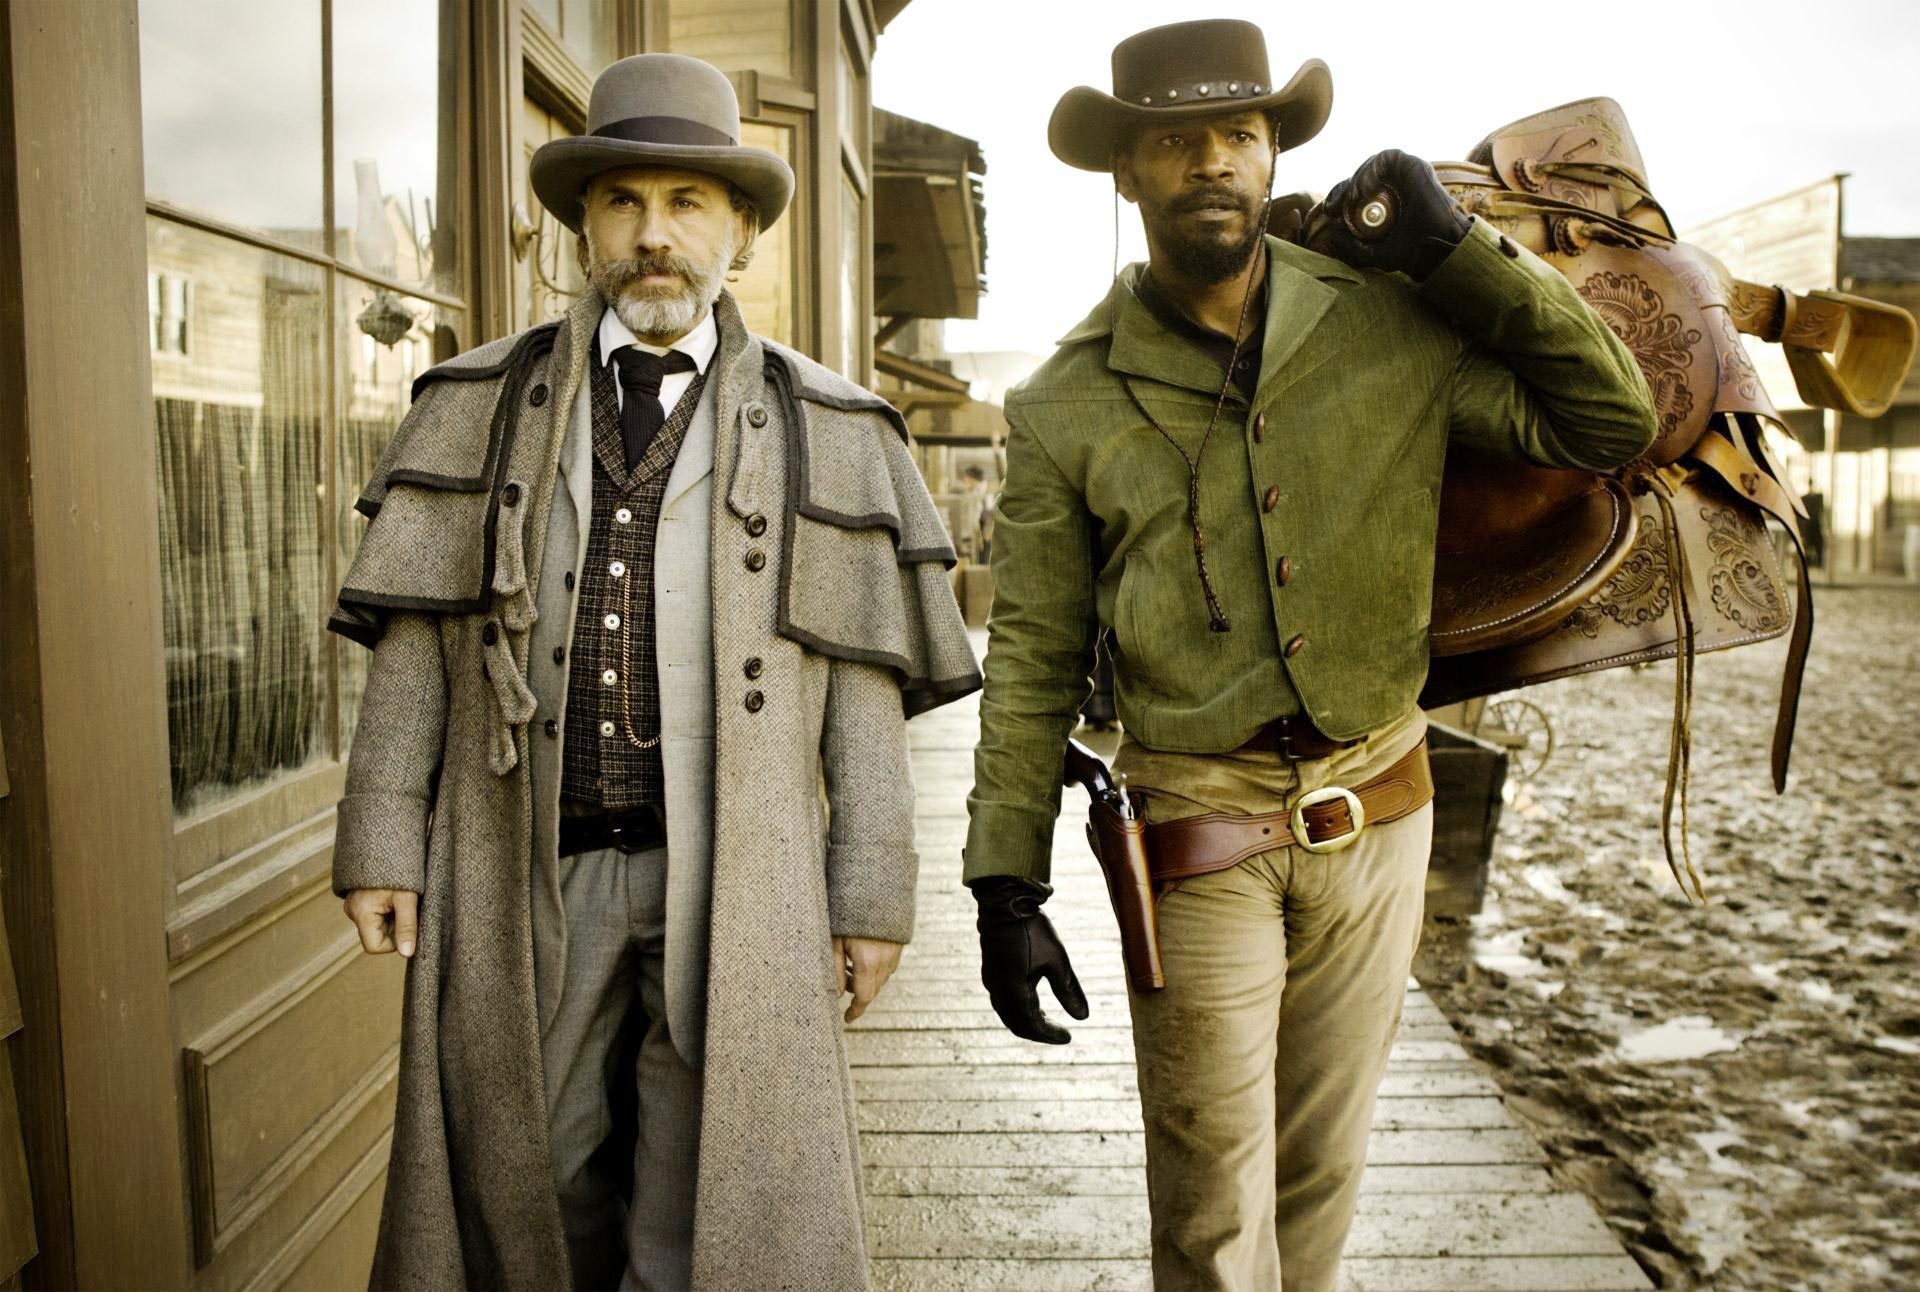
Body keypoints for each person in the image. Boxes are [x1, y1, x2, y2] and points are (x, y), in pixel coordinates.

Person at [963, 19, 1657, 1292]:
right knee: (1211, 1209)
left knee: (1320, 1183)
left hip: (1381, 805)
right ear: (1126, 169)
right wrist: (1005, 882)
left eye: (1239, 132)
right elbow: (1032, 653)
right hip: (1196, 826)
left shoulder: (1391, 324)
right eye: (1177, 139)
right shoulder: (1063, 398)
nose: (1212, 161)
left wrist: (1459, 251)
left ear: (1273, 151)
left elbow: (1611, 417)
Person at [330, 53, 978, 1291]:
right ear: (586, 227)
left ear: (741, 230)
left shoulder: (831, 426)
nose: (654, 235)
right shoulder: (479, 402)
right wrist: (380, 832)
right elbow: (420, 640)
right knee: (533, 1167)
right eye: (623, 202)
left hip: (734, 879)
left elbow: (862, 691)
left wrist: (869, 891)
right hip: (535, 864)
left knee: (704, 1192)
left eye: (688, 202)